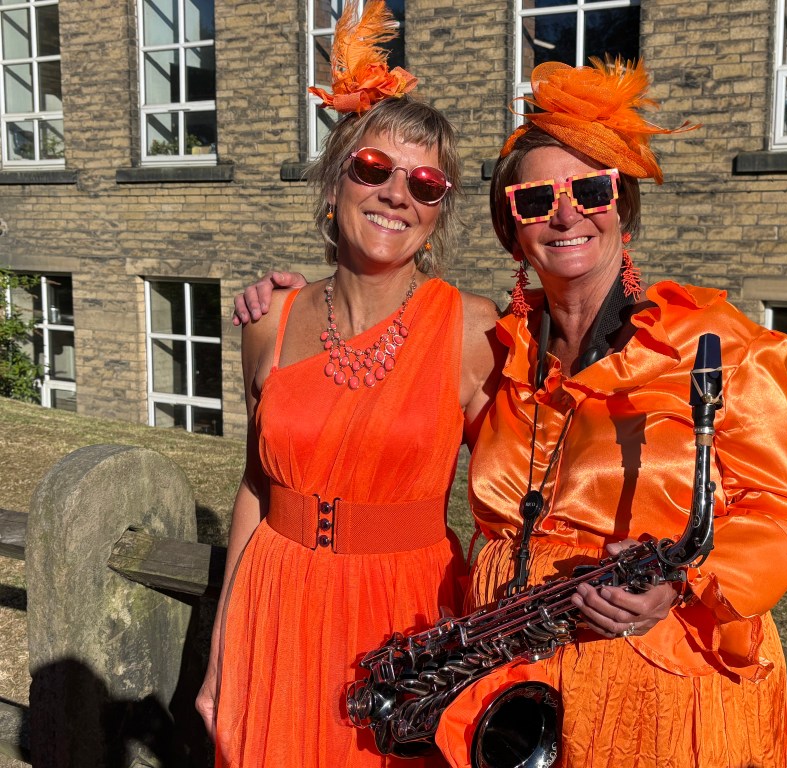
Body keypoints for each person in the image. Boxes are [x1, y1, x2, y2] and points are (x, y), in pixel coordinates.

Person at [237, 58, 787, 768]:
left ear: (623, 205)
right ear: (513, 228)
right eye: (537, 198)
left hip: (660, 687)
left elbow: (783, 518)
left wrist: (679, 583)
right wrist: (288, 306)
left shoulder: (715, 347)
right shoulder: (503, 349)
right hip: (508, 686)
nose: (566, 213)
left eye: (592, 189)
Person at [196, 3, 499, 766]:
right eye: (373, 169)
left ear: (439, 212)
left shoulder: (472, 330)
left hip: (403, 627)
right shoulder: (270, 317)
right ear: (335, 183)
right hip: (274, 606)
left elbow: (518, 500)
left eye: (425, 183)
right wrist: (220, 651)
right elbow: (254, 487)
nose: (397, 193)